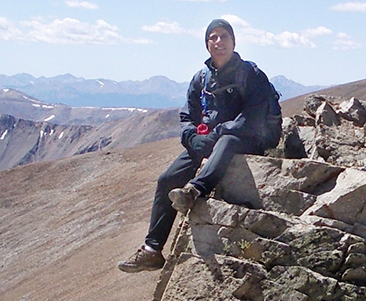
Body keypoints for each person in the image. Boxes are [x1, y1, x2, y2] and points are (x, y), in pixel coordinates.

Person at [118, 18, 282, 273]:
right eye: (213, 37)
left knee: (227, 141)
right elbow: (187, 117)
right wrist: (191, 138)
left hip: (248, 138)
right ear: (207, 44)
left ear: (234, 41)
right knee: (167, 179)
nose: (219, 41)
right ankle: (152, 250)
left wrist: (216, 133)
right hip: (211, 141)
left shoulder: (251, 75)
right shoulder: (201, 79)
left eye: (224, 36)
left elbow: (251, 119)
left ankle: (194, 191)